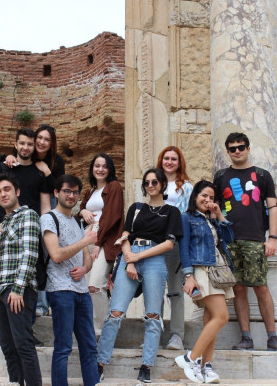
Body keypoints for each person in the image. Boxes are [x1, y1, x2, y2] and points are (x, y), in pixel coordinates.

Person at [97, 168, 183, 383]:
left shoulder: (172, 212)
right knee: (115, 312)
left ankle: (146, 366)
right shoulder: (136, 208)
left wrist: (139, 257)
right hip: (131, 254)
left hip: (154, 258)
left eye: (154, 182)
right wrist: (130, 260)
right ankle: (99, 362)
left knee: (153, 315)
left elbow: (169, 243)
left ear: (163, 184)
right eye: (147, 182)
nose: (150, 185)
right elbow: (124, 236)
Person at [213, 132, 277, 352]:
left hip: (255, 238)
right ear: (227, 152)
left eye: (241, 147)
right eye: (232, 148)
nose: (237, 151)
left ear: (248, 148)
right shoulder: (220, 176)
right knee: (238, 289)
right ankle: (246, 337)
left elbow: (272, 207)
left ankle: (272, 337)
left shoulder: (262, 175)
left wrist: (272, 238)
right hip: (229, 239)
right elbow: (214, 208)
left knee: (260, 287)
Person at [0, 127, 51, 346]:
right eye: (22, 143)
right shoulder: (2, 168)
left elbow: (45, 208)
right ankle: (2, 331)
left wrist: (44, 236)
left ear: (34, 147)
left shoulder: (39, 173)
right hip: (3, 232)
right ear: (15, 144)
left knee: (29, 283)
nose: (25, 147)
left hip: (29, 233)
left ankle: (27, 329)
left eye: (30, 144)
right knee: (2, 281)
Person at [0, 173, 42, 386]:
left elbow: (30, 253)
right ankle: (16, 382)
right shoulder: (1, 223)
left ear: (17, 192)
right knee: (7, 346)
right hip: (0, 291)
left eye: (7, 189)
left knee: (23, 344)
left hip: (18, 290)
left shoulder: (28, 215)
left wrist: (18, 288)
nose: (2, 194)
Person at [40, 174, 99, 386]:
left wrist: (84, 269)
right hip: (60, 290)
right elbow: (56, 255)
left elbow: (87, 260)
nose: (71, 196)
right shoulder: (49, 218)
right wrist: (85, 241)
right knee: (63, 347)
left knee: (89, 347)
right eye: (67, 191)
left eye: (75, 192)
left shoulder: (76, 222)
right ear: (56, 193)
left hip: (81, 291)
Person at [174, 180, 235, 384]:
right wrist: (188, 276)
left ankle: (206, 366)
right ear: (195, 197)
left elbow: (229, 238)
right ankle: (190, 359)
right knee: (222, 316)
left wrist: (219, 215)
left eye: (211, 197)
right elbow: (183, 248)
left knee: (211, 321)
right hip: (202, 270)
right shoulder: (186, 218)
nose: (207, 200)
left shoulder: (212, 219)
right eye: (204, 196)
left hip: (218, 271)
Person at [5, 124, 65, 317]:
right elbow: (4, 164)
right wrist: (8, 157)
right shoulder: (22, 155)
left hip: (48, 207)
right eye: (39, 138)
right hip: (25, 210)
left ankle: (43, 303)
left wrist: (46, 171)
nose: (41, 142)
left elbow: (59, 189)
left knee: (45, 255)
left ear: (52, 143)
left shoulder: (56, 161)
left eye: (47, 139)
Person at [78, 153, 124, 336]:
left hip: (103, 237)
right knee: (86, 288)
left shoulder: (114, 187)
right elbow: (81, 210)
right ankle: (91, 329)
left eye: (105, 166)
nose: (100, 169)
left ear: (110, 169)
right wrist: (82, 211)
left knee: (96, 285)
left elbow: (113, 217)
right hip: (86, 236)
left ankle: (102, 331)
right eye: (97, 165)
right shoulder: (90, 191)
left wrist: (98, 242)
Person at [156, 146, 193, 350]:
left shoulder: (186, 187)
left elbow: (187, 215)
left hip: (175, 242)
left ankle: (177, 335)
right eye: (166, 158)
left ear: (179, 163)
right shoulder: (154, 183)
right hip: (155, 243)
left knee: (176, 291)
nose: (169, 162)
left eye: (173, 159)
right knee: (154, 290)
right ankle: (154, 334)